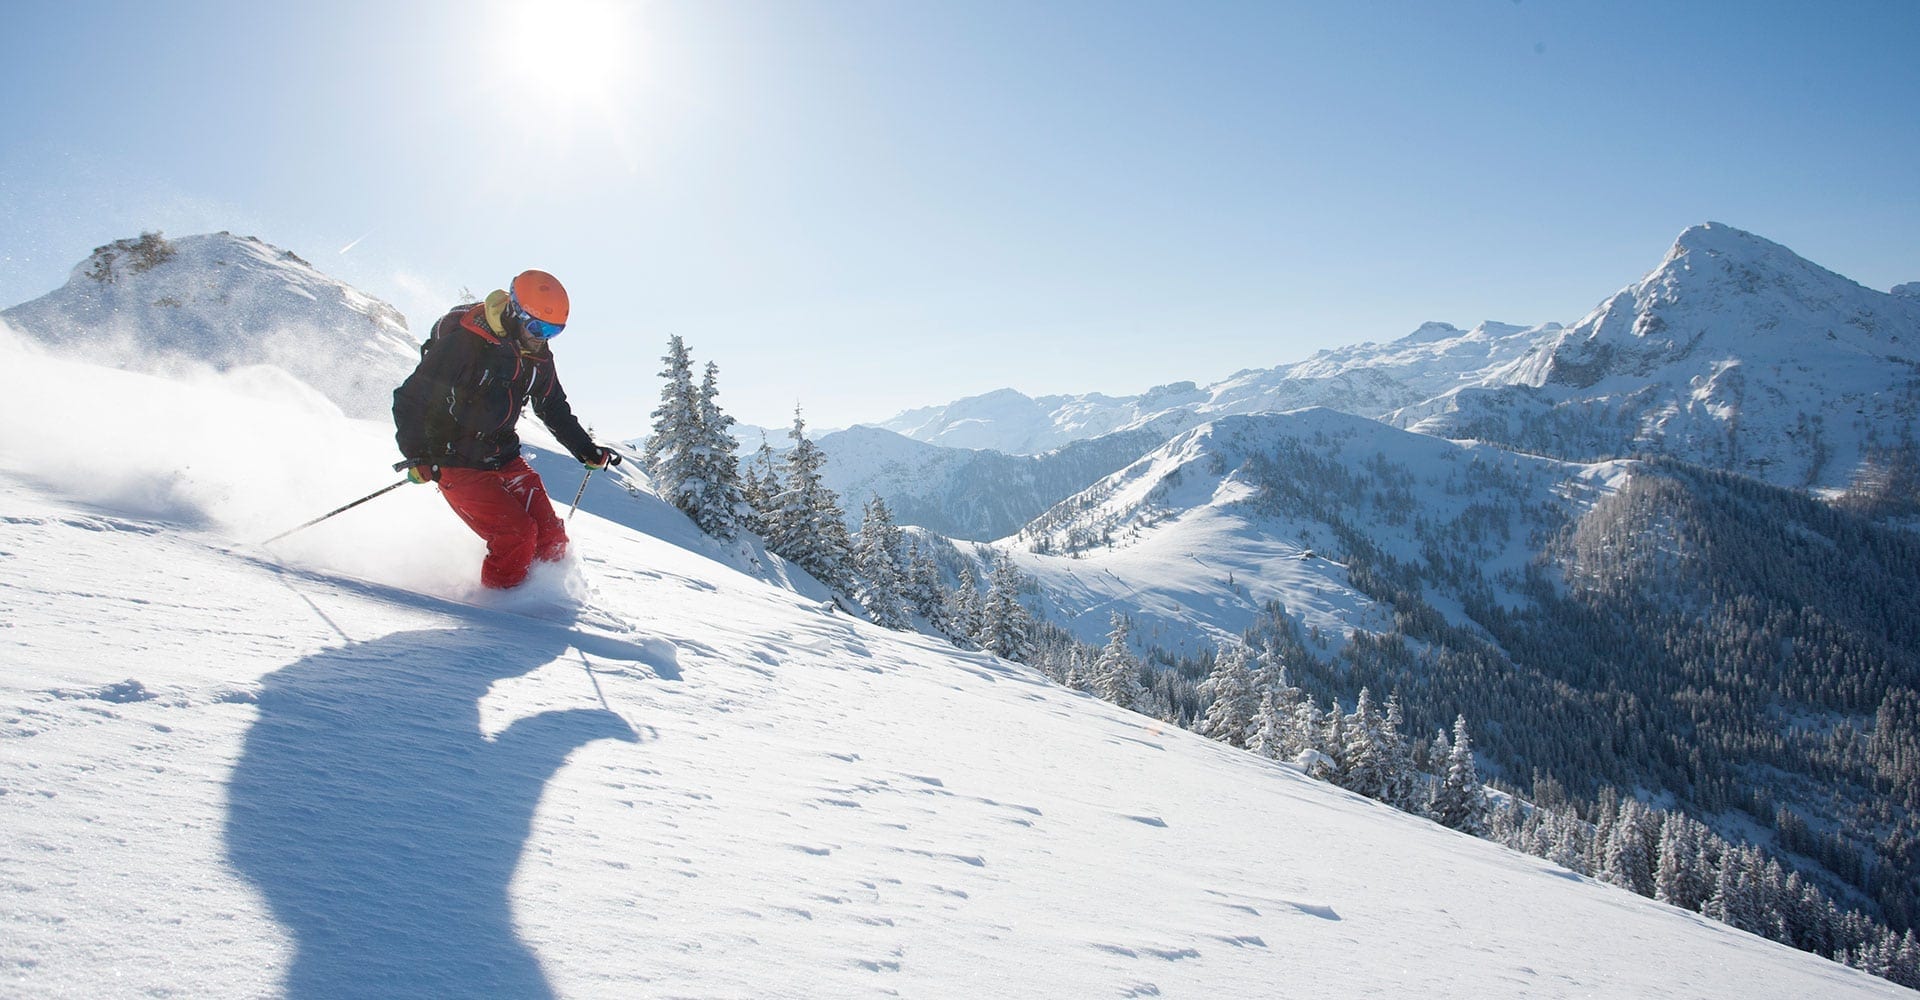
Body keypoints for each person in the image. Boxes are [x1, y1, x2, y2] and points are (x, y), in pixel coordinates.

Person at [392, 269, 621, 590]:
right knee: (516, 534)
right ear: (514, 311)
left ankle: (546, 604)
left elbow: (552, 406)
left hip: (503, 456)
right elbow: (410, 397)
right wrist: (417, 454)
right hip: (454, 459)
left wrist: (587, 449)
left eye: (552, 332)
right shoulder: (466, 344)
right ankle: (503, 618)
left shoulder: (537, 358)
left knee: (551, 536)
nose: (541, 338)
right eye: (536, 327)